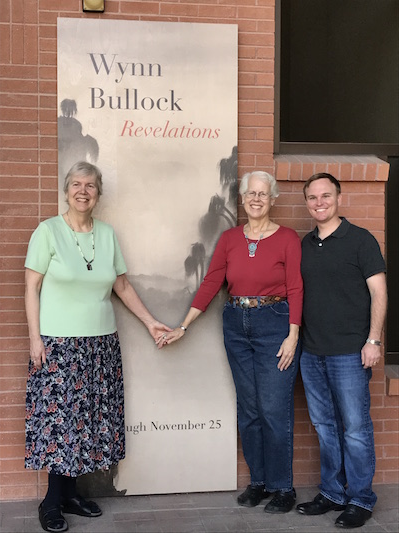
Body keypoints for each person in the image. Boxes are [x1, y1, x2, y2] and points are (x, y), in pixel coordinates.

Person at [24, 161, 171, 533]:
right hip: (59, 344)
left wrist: (150, 321)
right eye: (76, 184)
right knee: (61, 424)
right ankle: (51, 501)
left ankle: (71, 494)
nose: (83, 191)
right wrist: (34, 337)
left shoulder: (106, 234)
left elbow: (121, 286)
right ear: (66, 189)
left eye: (90, 185)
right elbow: (31, 287)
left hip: (100, 344)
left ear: (98, 192)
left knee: (87, 420)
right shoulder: (48, 232)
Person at [161, 171, 303, 514]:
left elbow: (296, 287)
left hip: (275, 324)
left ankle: (282, 487)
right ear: (242, 198)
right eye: (250, 193)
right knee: (250, 408)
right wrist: (184, 325)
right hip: (236, 325)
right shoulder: (229, 239)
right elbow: (211, 282)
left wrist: (293, 334)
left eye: (263, 194)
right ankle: (258, 482)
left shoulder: (287, 238)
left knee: (273, 408)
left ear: (273, 200)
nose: (256, 199)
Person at [296, 173, 387, 529]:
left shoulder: (360, 240)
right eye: (313, 198)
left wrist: (374, 340)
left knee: (355, 428)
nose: (319, 202)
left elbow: (380, 293)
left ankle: (361, 499)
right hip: (312, 352)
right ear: (306, 202)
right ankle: (333, 493)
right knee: (324, 426)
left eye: (326, 196)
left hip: (351, 352)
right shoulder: (304, 244)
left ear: (338, 198)